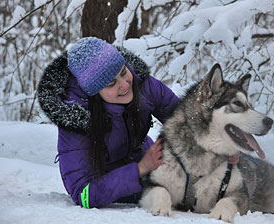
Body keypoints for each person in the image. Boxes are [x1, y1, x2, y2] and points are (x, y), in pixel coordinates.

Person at [37, 37, 179, 208]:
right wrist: (140, 169)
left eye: (123, 71)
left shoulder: (143, 85)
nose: (125, 84)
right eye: (111, 83)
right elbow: (83, 194)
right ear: (94, 93)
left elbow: (186, 122)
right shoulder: (76, 119)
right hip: (112, 184)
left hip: (151, 163)